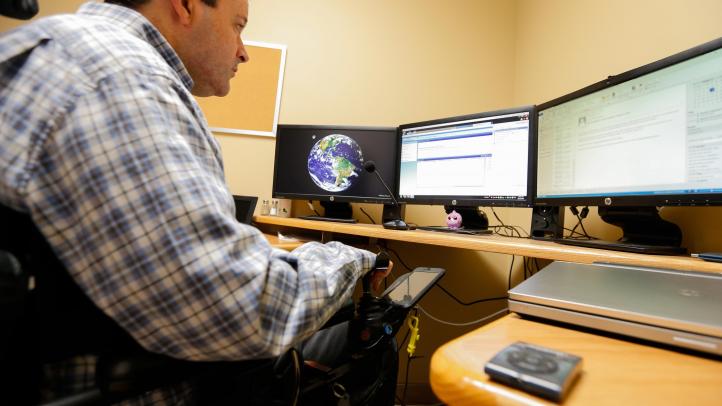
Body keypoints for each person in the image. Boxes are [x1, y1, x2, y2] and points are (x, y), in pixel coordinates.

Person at [0, 0, 391, 403]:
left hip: (76, 354)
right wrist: (353, 257)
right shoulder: (120, 77)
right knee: (370, 332)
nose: (243, 50)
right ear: (185, 5)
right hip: (148, 383)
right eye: (238, 26)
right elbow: (249, 310)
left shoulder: (53, 49)